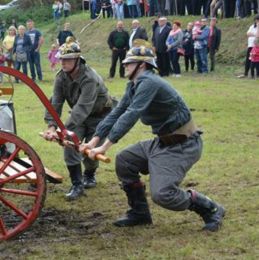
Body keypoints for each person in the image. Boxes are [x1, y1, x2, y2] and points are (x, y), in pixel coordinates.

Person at [80, 39, 225, 232]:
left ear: (142, 65)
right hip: (163, 143)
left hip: (183, 146)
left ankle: (211, 208)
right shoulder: (134, 85)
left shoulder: (149, 81)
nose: (125, 65)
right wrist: (94, 140)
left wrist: (104, 147)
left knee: (163, 195)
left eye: (129, 62)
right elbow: (117, 113)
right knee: (125, 160)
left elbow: (132, 114)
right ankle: (140, 213)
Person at [43, 37, 115, 200]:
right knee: (69, 144)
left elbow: (83, 107)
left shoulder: (90, 78)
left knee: (90, 153)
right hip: (79, 116)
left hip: (100, 117)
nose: (63, 63)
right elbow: (56, 101)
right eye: (61, 59)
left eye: (67, 59)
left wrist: (62, 128)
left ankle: (90, 174)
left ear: (78, 60)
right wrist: (51, 126)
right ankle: (77, 184)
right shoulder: (61, 76)